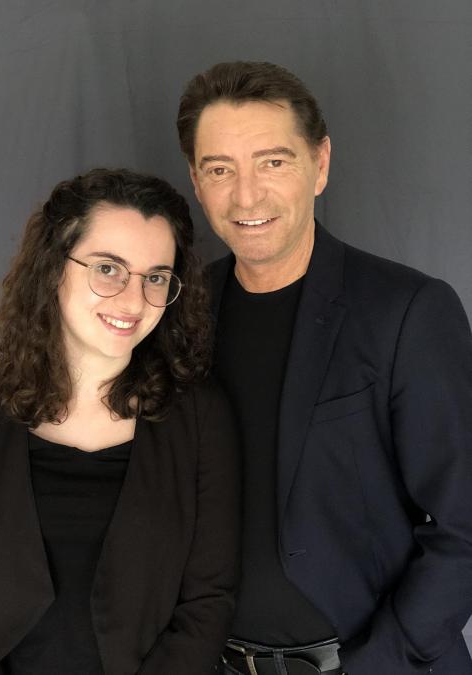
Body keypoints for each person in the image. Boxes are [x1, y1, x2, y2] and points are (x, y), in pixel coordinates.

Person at [176, 61, 472, 675]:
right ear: (197, 183)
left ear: (321, 164)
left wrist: (375, 665)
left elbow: (465, 526)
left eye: (272, 162)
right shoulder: (180, 314)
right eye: (220, 170)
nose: (246, 196)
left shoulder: (407, 311)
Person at [0, 168, 240, 675]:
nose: (133, 300)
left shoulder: (199, 417)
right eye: (108, 268)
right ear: (52, 267)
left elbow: (209, 600)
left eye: (155, 277)